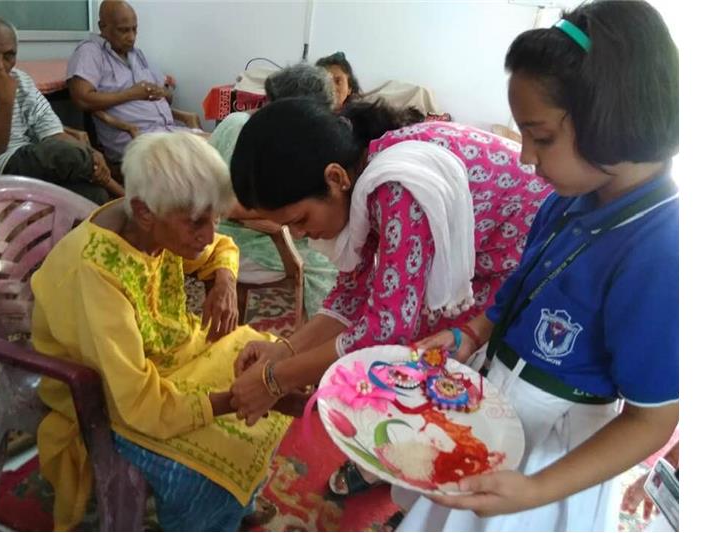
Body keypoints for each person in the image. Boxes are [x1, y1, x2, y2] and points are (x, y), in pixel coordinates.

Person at [392, 1, 679, 530]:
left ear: (611, 119)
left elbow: (653, 420)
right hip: (499, 401)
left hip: (553, 458)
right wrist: (472, 335)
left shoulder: (663, 250)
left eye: (541, 137)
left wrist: (535, 490)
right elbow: (520, 285)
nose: (526, 157)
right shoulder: (570, 195)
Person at [225, 96, 549, 429]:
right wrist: (285, 351)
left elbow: (387, 330)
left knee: (427, 363)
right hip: (495, 258)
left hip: (534, 267)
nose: (302, 234)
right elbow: (351, 293)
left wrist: (276, 379)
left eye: (301, 219)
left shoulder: (395, 186)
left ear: (335, 179)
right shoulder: (366, 173)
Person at [31, 131, 298, 531]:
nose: (207, 234)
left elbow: (219, 248)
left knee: (271, 358)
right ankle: (216, 510)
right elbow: (137, 403)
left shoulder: (158, 225)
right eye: (197, 223)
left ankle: (236, 508)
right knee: (202, 477)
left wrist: (224, 281)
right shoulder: (96, 273)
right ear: (143, 211)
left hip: (169, 359)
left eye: (215, 219)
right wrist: (238, 400)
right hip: (106, 393)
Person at [209, 62, 341, 318]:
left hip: (237, 230)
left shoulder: (250, 125)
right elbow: (224, 203)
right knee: (330, 263)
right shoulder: (251, 133)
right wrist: (282, 219)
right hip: (230, 238)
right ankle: (322, 341)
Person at [0, 15, 120, 204]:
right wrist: (5, 102)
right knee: (63, 154)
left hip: (32, 164)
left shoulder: (21, 79)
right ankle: (125, 197)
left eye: (8, 56)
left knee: (94, 194)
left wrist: (91, 155)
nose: (0, 65)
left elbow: (52, 132)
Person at [66, 0, 201, 163]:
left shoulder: (137, 55)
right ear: (102, 27)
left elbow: (168, 98)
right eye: (123, 30)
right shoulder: (90, 52)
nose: (131, 37)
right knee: (202, 160)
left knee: (228, 140)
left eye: (134, 29)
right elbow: (82, 99)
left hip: (168, 131)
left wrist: (162, 92)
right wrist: (131, 94)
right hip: (137, 137)